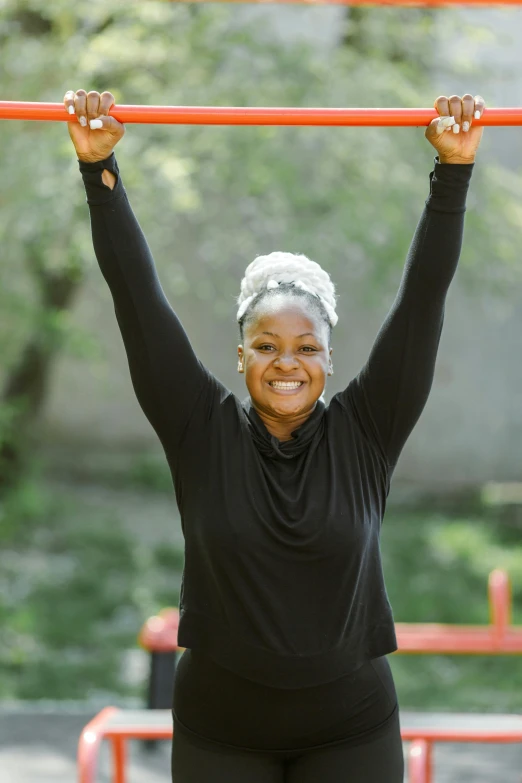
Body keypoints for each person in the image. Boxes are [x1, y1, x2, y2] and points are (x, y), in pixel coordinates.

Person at [65, 88, 485, 782]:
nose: (287, 361)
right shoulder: (198, 428)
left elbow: (423, 300)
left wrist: (454, 176)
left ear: (329, 357)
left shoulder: (369, 428)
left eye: (306, 346)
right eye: (266, 344)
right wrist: (100, 174)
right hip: (221, 730)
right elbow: (137, 298)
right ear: (240, 355)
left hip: (351, 727)